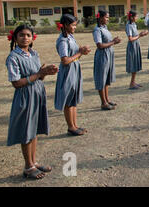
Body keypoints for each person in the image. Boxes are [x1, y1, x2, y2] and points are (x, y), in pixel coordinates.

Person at [6, 25, 58, 179]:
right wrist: (39, 73)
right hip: (25, 97)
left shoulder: (34, 54)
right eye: (21, 35)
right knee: (27, 132)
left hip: (37, 95)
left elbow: (39, 76)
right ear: (15, 38)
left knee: (34, 130)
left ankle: (34, 162)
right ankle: (28, 166)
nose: (25, 38)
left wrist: (46, 72)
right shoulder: (13, 57)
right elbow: (16, 82)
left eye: (28, 35)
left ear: (32, 37)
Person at [54, 14, 91, 137]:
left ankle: (74, 125)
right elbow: (65, 60)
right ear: (65, 25)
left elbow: (74, 52)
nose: (75, 27)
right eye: (73, 25)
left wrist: (81, 50)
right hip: (68, 71)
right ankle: (70, 126)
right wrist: (80, 53)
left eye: (75, 25)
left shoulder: (70, 37)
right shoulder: (63, 41)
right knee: (69, 99)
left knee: (73, 99)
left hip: (74, 69)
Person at [93, 10, 121, 110]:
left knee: (107, 78)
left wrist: (113, 41)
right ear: (100, 17)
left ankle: (107, 99)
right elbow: (99, 45)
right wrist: (113, 42)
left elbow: (107, 41)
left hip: (109, 54)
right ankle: (103, 103)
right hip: (102, 55)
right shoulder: (97, 30)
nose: (108, 19)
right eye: (106, 17)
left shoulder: (105, 27)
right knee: (101, 78)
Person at [125, 10, 148, 89]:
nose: (137, 18)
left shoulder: (134, 24)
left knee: (136, 64)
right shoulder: (128, 26)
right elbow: (130, 38)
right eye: (136, 16)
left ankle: (133, 82)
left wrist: (141, 34)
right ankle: (131, 83)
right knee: (133, 64)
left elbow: (136, 35)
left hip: (136, 45)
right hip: (132, 46)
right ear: (131, 17)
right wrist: (140, 35)